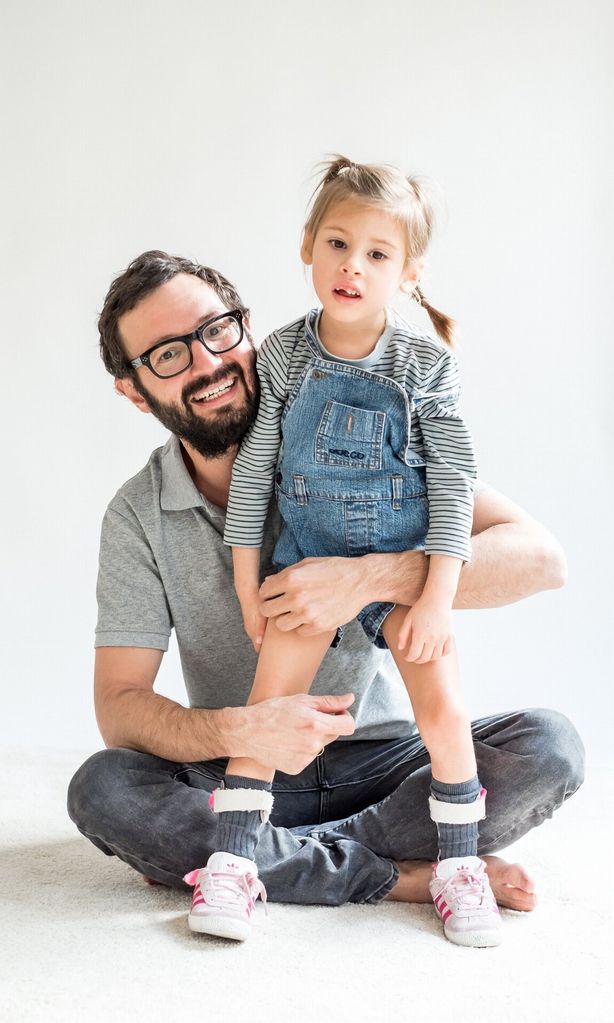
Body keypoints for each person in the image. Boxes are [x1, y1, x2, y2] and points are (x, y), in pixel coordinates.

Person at [66, 248, 583, 948]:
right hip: (237, 772)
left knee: (549, 744)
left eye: (217, 330)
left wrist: (368, 577)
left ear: (247, 327)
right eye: (167, 355)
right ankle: (397, 874)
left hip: (375, 762)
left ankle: (252, 860)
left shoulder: (355, 444)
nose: (207, 362)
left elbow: (539, 558)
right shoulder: (136, 515)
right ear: (133, 389)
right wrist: (241, 731)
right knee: (103, 788)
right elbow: (119, 706)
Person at [215, 155, 494, 947]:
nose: (352, 266)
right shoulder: (282, 356)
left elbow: (454, 487)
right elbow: (255, 475)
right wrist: (247, 584)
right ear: (308, 245)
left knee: (444, 715)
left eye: (377, 254)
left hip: (404, 573)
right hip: (304, 566)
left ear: (407, 274)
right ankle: (234, 863)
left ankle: (459, 865)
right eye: (338, 243)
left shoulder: (424, 366)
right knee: (268, 715)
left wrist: (436, 597)